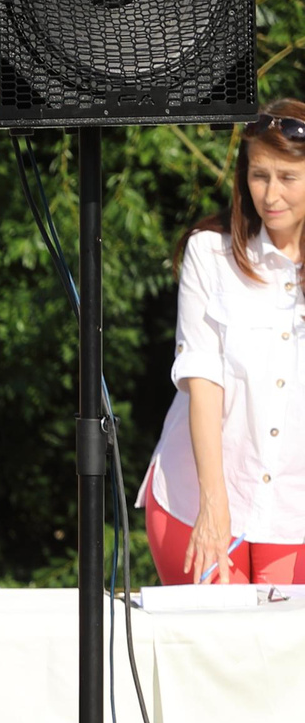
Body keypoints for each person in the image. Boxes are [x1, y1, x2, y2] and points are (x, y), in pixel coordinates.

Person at [138, 102, 305, 587]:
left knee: (284, 661)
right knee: (206, 654)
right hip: (195, 499)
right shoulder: (209, 251)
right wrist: (215, 502)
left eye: (288, 177)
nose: (270, 194)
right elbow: (202, 376)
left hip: (291, 508)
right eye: (259, 175)